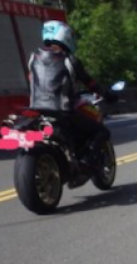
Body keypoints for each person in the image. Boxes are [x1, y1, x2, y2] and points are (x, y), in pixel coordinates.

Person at [28, 20, 116, 167]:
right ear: (65, 36)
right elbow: (90, 83)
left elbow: (31, 80)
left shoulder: (33, 57)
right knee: (102, 131)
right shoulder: (70, 60)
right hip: (64, 111)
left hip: (37, 111)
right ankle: (88, 161)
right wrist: (107, 95)